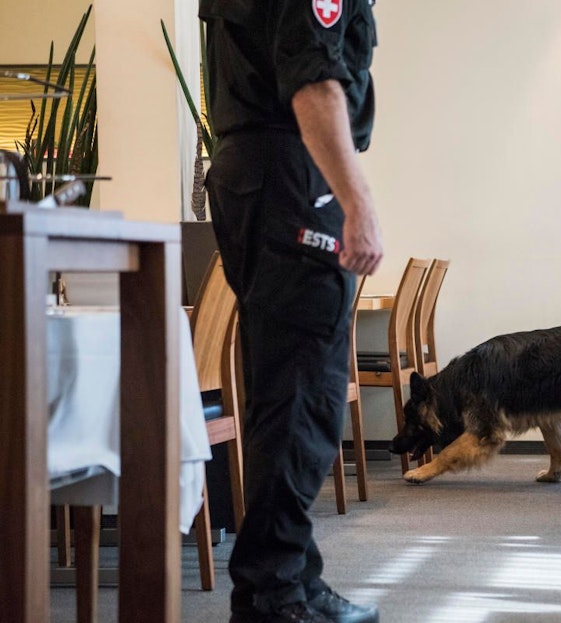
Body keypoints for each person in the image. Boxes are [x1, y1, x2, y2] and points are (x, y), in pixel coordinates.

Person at [199, 1, 383, 622]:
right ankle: (274, 596)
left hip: (253, 174)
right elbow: (313, 80)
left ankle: (290, 581)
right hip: (291, 176)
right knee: (305, 395)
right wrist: (359, 202)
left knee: (280, 392)